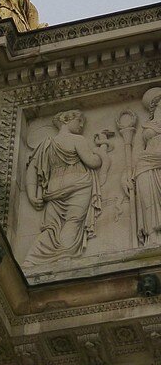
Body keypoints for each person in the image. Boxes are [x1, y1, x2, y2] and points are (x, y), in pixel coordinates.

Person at [23, 110, 108, 267]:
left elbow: (32, 170)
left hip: (53, 191)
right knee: (73, 221)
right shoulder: (77, 140)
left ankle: (32, 259)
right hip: (79, 186)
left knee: (50, 227)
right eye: (79, 121)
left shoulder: (46, 144)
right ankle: (64, 258)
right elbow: (93, 162)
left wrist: (31, 195)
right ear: (66, 120)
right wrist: (101, 150)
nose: (82, 125)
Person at [135, 87, 161, 246]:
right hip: (144, 165)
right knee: (147, 201)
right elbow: (138, 151)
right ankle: (152, 237)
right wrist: (126, 173)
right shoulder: (146, 126)